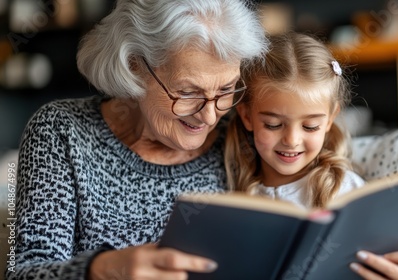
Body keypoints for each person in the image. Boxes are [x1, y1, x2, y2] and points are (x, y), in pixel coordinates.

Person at [7, 0, 267, 279]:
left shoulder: (243, 132)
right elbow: (25, 272)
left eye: (226, 89)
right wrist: (102, 269)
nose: (209, 116)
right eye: (189, 92)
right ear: (134, 67)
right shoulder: (61, 131)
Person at [224, 32, 398, 280]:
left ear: (329, 119)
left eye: (310, 127)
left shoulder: (346, 191)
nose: (292, 140)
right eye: (273, 124)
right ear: (246, 117)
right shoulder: (232, 189)